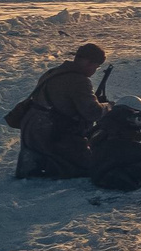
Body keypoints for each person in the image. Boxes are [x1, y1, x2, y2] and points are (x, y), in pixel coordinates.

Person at [10, 42, 109, 179]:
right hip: (50, 131)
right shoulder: (79, 80)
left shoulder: (53, 72)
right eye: (95, 67)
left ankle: (37, 162)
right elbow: (93, 113)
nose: (94, 71)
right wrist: (108, 106)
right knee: (91, 167)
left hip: (32, 126)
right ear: (87, 62)